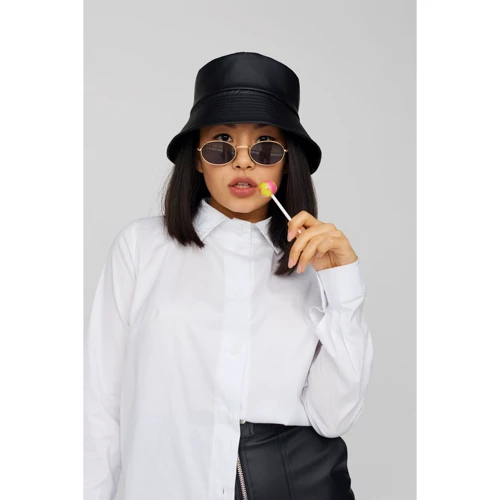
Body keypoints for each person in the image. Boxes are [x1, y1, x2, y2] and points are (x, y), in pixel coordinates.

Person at [84, 51, 374, 500]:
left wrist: (344, 289)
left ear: (286, 162)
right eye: (221, 144)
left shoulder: (315, 264)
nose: (243, 163)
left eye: (264, 147)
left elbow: (333, 416)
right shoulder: (140, 248)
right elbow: (99, 407)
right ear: (198, 159)